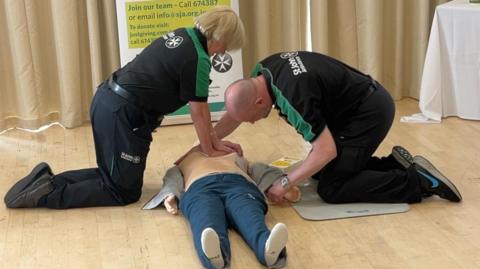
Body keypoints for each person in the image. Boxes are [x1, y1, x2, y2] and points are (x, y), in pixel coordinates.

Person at [4, 6, 246, 209]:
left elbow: (199, 111)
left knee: (110, 177)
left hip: (108, 101)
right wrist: (209, 149)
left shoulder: (184, 36)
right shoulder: (199, 60)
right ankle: (46, 195)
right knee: (122, 192)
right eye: (227, 45)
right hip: (123, 116)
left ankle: (46, 181)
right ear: (219, 36)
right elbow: (199, 112)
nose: (223, 52)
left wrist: (215, 143)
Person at [213, 51, 462, 205]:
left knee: (332, 188)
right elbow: (237, 112)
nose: (252, 123)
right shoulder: (264, 70)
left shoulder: (295, 98)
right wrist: (208, 140)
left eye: (250, 119)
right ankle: (394, 165)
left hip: (368, 113)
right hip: (357, 105)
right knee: (320, 172)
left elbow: (326, 151)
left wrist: (285, 183)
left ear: (258, 101)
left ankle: (418, 181)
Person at [150, 147, 299, 269]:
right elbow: (171, 178)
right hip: (200, 188)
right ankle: (215, 256)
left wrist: (282, 183)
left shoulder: (234, 155)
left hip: (238, 185)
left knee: (251, 217)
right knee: (205, 222)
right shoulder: (185, 161)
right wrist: (169, 195)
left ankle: (268, 249)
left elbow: (261, 169)